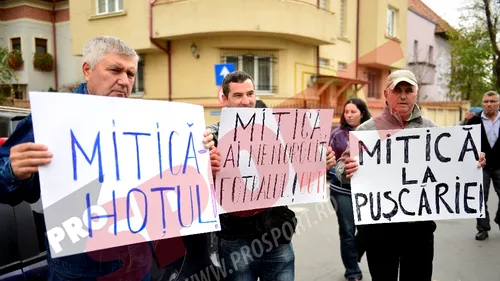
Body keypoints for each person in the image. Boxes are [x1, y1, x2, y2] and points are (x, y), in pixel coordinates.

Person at [0, 35, 220, 281]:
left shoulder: (147, 121)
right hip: (80, 273)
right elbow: (8, 189)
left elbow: (165, 181)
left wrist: (200, 163)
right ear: (87, 70)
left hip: (139, 266)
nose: (124, 81)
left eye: (131, 74)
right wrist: (13, 171)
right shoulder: (53, 118)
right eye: (115, 70)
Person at [334, 69, 486, 281]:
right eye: (397, 90)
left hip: (419, 232)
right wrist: (345, 169)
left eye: (408, 90)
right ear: (386, 94)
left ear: (416, 93)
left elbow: (449, 164)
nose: (403, 95)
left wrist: (472, 161)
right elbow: (341, 167)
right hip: (379, 232)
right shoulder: (366, 130)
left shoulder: (431, 129)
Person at [206, 70, 336, 281]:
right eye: (238, 96)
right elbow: (198, 184)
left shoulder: (281, 129)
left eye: (250, 94)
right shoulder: (213, 137)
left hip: (277, 235)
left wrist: (323, 163)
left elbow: (302, 167)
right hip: (236, 240)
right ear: (225, 99)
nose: (245, 101)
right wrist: (208, 168)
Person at [328, 98, 371, 281]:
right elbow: (329, 162)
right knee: (347, 231)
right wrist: (340, 170)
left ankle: (352, 256)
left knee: (367, 230)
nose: (349, 115)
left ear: (362, 113)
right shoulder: (337, 134)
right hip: (341, 191)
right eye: (346, 112)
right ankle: (352, 271)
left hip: (366, 191)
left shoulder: (372, 132)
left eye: (353, 111)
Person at [465, 91, 500, 241]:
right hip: (481, 167)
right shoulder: (473, 121)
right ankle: (482, 228)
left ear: (498, 103)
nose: (489, 104)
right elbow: (465, 142)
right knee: (480, 199)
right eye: (486, 101)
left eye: (492, 101)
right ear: (482, 104)